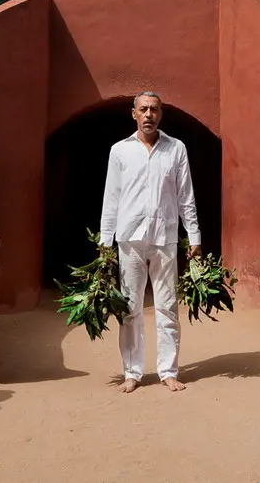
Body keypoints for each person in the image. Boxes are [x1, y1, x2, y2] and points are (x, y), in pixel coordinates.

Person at [100, 91, 202, 394]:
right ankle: (132, 372)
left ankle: (168, 370)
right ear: (134, 114)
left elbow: (186, 197)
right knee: (129, 308)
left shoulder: (176, 149)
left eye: (154, 109)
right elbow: (111, 198)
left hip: (165, 238)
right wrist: (106, 242)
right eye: (143, 109)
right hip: (129, 238)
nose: (148, 114)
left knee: (167, 306)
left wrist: (193, 236)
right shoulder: (120, 151)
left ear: (161, 114)